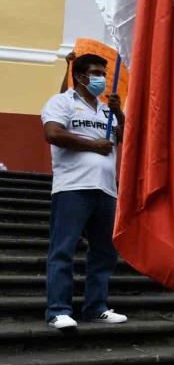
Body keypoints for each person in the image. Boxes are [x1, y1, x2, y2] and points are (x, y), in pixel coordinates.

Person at [41, 53, 128, 330]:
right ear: (79, 76)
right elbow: (53, 133)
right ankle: (58, 309)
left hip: (106, 190)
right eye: (95, 73)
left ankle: (96, 306)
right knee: (63, 249)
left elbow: (124, 138)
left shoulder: (106, 109)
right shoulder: (61, 102)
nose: (101, 78)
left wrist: (121, 113)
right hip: (72, 188)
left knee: (104, 253)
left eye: (103, 73)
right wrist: (92, 146)